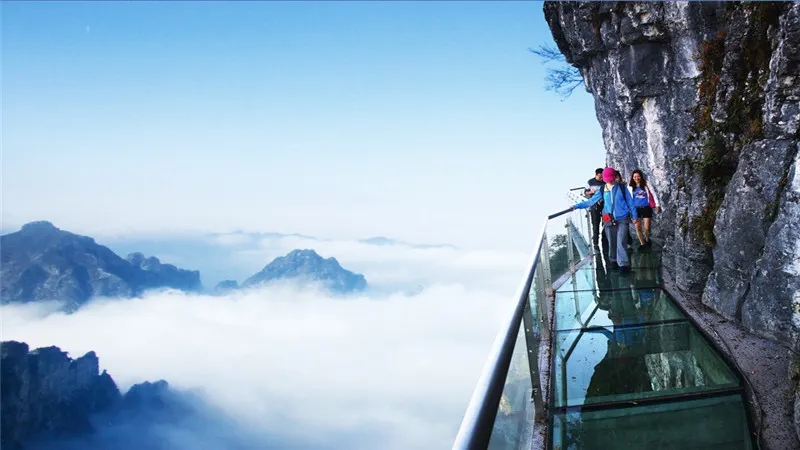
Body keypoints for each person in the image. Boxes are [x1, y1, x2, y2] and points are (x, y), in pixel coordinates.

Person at [571, 167, 639, 273]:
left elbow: (630, 202)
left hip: (623, 218)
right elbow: (591, 202)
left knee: (621, 241)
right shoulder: (602, 189)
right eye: (606, 179)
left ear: (614, 177)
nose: (608, 181)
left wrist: (634, 216)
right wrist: (576, 206)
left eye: (610, 178)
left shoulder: (622, 188)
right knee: (612, 241)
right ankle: (613, 260)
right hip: (608, 219)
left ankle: (624, 264)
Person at [628, 170, 661, 249]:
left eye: (638, 176)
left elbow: (653, 193)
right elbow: (628, 198)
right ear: (632, 178)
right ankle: (642, 244)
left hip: (646, 208)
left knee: (647, 228)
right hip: (635, 209)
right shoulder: (630, 186)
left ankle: (647, 239)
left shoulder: (646, 183)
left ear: (641, 176)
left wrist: (657, 204)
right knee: (638, 227)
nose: (637, 178)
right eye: (635, 177)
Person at [584, 168, 607, 249]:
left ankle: (605, 241)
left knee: (606, 223)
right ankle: (595, 243)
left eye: (602, 177)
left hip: (604, 205)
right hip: (594, 205)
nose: (601, 179)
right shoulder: (590, 182)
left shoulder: (605, 181)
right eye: (600, 177)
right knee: (595, 224)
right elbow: (585, 192)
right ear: (596, 175)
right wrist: (591, 192)